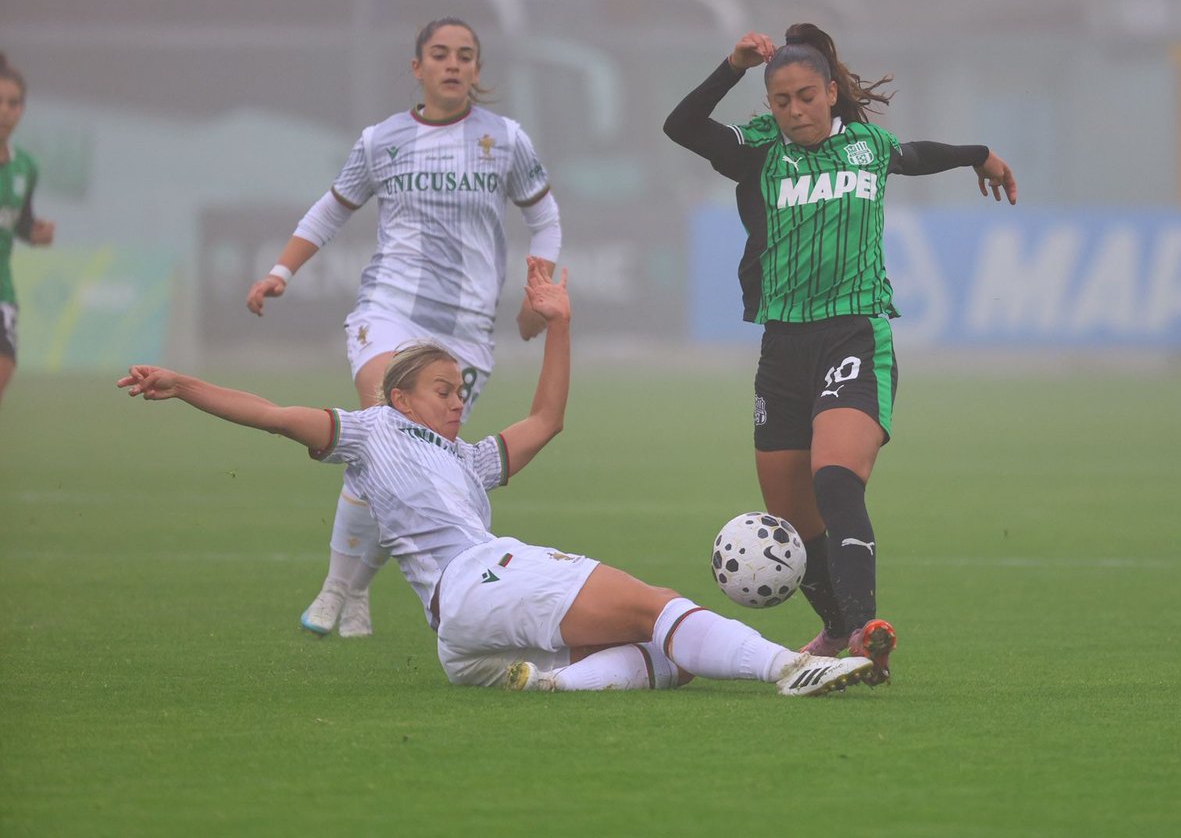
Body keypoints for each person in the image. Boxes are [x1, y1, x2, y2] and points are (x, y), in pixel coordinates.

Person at [121, 261, 876, 697]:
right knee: (655, 605)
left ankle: (555, 684)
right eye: (446, 389)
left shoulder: (468, 458)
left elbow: (546, 419)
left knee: (669, 661)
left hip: (459, 634)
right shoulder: (371, 430)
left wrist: (561, 324)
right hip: (480, 576)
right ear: (400, 393)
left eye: (462, 390)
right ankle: (790, 667)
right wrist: (184, 383)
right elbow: (270, 413)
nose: (459, 400)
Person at [663, 24, 1018, 684]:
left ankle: (865, 630)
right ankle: (834, 628)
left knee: (835, 478)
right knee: (794, 519)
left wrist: (980, 153)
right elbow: (681, 125)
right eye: (781, 101)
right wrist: (730, 67)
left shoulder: (868, 145)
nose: (794, 111)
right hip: (783, 347)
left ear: (830, 92)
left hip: (855, 334)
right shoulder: (759, 151)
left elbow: (918, 152)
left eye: (805, 96)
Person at [245, 17, 562, 639]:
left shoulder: (507, 139)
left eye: (465, 56)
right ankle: (338, 587)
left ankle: (355, 589)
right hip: (389, 308)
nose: (452, 64)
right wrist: (283, 269)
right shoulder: (381, 140)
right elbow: (334, 206)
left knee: (416, 460)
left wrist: (539, 281)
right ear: (416, 67)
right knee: (385, 430)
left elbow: (545, 217)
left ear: (477, 69)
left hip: (465, 329)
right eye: (439, 55)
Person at [0, 53, 57, 413]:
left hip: (3, 291)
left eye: (14, 103)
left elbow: (18, 223)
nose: (6, 111)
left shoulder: (25, 167)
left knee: (5, 368)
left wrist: (35, 234)